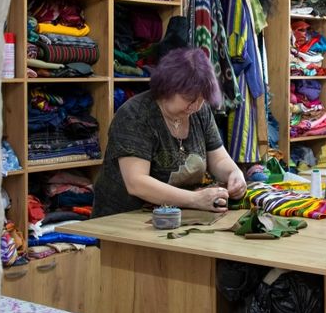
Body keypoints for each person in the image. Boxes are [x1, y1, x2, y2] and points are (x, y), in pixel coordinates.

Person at [92, 47, 247, 217]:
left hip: (175, 216)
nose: (196, 106)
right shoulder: (135, 115)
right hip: (122, 220)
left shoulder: (199, 112)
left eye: (202, 99)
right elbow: (137, 183)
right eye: (189, 99)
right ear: (167, 88)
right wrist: (195, 199)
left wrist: (234, 174)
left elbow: (218, 158)